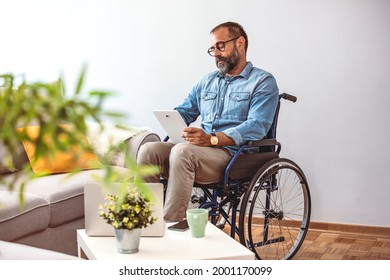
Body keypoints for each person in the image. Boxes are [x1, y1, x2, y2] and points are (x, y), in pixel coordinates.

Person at [137, 21, 279, 222]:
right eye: (212, 49)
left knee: (182, 152)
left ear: (240, 43)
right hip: (198, 151)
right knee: (149, 150)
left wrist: (212, 139)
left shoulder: (263, 81)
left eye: (220, 46)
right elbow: (186, 110)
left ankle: (172, 227)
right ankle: (144, 221)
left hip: (234, 156)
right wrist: (175, 121)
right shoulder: (207, 81)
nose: (216, 54)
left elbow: (257, 126)